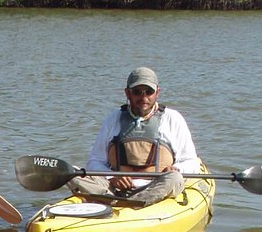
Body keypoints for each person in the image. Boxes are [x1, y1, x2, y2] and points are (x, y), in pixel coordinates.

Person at [68, 66, 201, 206]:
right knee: (73, 173)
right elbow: (95, 162)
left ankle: (127, 203)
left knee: (174, 178)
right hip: (115, 188)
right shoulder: (113, 118)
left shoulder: (173, 119)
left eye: (149, 92)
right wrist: (112, 176)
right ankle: (123, 201)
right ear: (127, 93)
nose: (144, 98)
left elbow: (192, 162)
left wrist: (176, 168)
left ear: (157, 93)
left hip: (155, 187)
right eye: (137, 92)